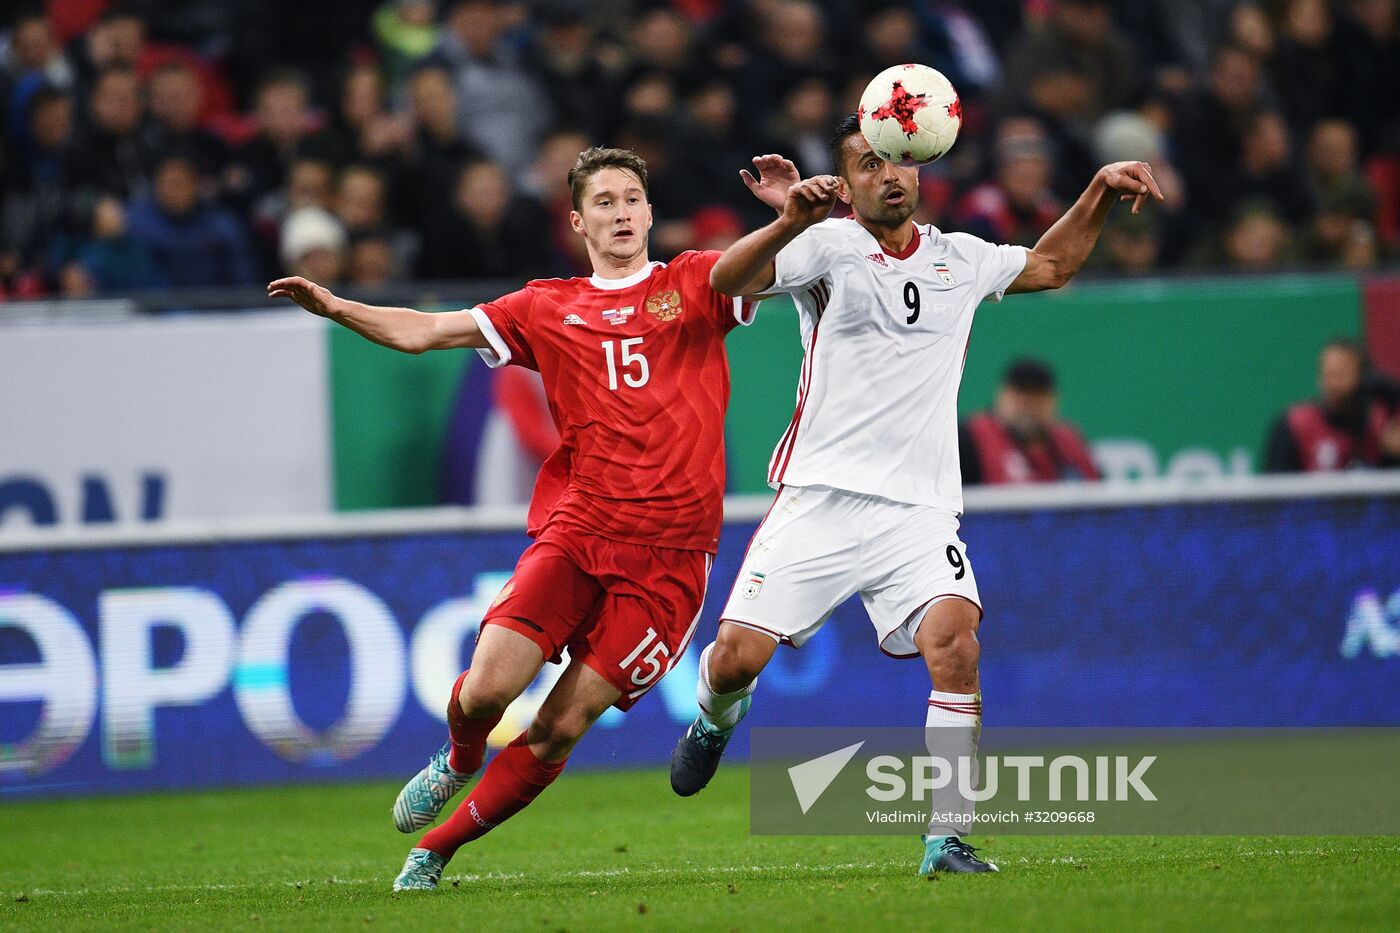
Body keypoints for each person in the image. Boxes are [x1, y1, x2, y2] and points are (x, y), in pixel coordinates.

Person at [667, 114, 1161, 875]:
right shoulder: (827, 246)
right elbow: (724, 283)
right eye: (866, 165)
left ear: (920, 165)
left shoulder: (960, 259)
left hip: (920, 510)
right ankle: (713, 718)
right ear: (848, 183)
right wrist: (789, 222)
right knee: (735, 658)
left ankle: (947, 837)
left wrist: (1097, 188)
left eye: (896, 161)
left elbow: (1053, 266)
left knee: (956, 646)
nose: (886, 175)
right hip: (822, 497)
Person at [268, 146, 757, 891]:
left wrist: (790, 218)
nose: (621, 212)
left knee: (561, 724)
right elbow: (424, 331)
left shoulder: (695, 283)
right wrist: (339, 306)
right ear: (576, 219)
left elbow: (761, 266)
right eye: (604, 202)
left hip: (671, 558)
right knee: (485, 694)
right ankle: (460, 756)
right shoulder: (546, 305)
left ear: (651, 212)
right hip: (580, 530)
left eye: (632, 198)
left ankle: (434, 850)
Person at [1264, 338, 1400, 472]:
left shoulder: (1381, 427)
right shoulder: (1295, 425)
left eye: (1340, 374)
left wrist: (1393, 455)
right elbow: (1277, 487)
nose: (1332, 383)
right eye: (1327, 374)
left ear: (1364, 377)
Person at [960, 359, 1100, 485]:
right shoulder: (969, 440)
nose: (1030, 405)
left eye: (1039, 396)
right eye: (1021, 394)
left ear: (1054, 400)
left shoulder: (1070, 444)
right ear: (1002, 395)